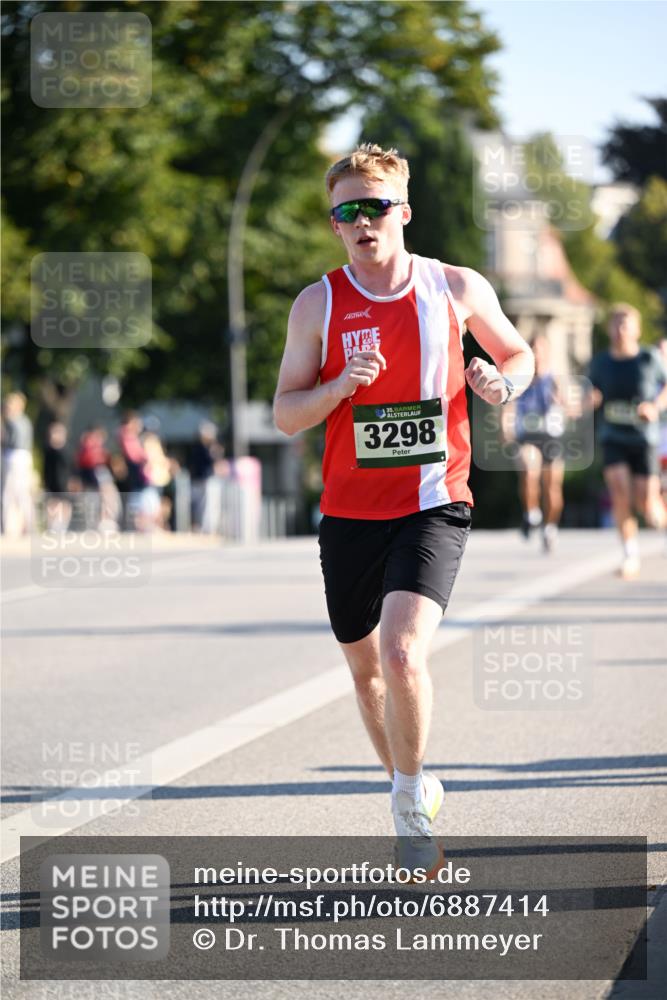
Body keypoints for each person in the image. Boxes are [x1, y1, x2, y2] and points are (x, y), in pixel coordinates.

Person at [273, 143, 534, 875]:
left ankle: (408, 807)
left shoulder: (454, 287)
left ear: (403, 213)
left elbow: (519, 355)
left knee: (400, 651)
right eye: (346, 210)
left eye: (375, 206)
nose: (362, 220)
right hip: (350, 513)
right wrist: (337, 389)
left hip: (433, 501)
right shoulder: (317, 303)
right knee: (365, 675)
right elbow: (287, 414)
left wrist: (500, 385)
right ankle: (408, 778)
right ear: (335, 224)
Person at [588, 304, 667, 579]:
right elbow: (591, 391)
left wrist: (655, 406)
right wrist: (591, 399)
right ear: (610, 329)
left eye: (626, 324)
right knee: (619, 491)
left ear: (637, 329)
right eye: (616, 323)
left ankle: (660, 513)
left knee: (648, 506)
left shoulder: (649, 358)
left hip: (644, 438)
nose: (621, 329)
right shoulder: (600, 362)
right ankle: (630, 554)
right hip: (613, 436)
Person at [502, 333, 565, 552]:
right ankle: (532, 513)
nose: (538, 355)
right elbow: (508, 406)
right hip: (527, 436)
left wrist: (564, 402)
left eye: (541, 349)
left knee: (552, 488)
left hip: (551, 436)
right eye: (534, 350)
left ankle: (550, 527)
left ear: (547, 352)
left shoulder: (555, 378)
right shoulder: (521, 378)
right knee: (529, 470)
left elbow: (570, 404)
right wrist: (506, 430)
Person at [1, 391, 34, 536]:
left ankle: (9, 527)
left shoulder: (13, 421)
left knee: (10, 494)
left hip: (14, 457)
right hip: (22, 457)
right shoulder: (24, 420)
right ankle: (26, 526)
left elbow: (7, 440)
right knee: (20, 493)